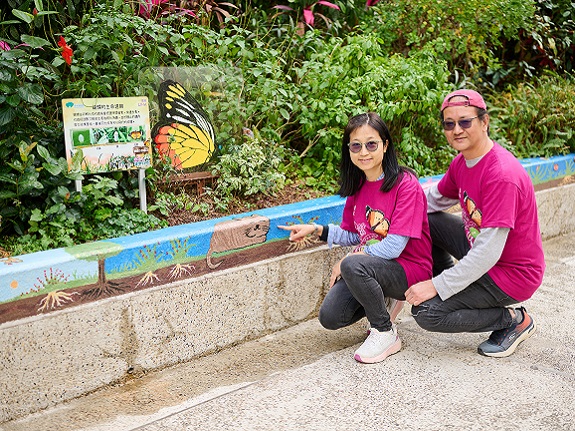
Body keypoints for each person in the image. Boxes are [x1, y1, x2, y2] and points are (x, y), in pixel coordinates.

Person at [279, 112, 432, 364]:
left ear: (385, 145)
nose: (364, 152)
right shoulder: (359, 185)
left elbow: (394, 246)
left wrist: (351, 259)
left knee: (351, 264)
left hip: (410, 270)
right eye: (356, 145)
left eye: (371, 144)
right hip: (372, 267)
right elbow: (355, 233)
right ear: (348, 149)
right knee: (331, 316)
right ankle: (382, 298)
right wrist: (318, 231)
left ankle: (384, 330)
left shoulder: (406, 185)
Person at [405, 89, 545, 357]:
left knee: (426, 312)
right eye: (449, 124)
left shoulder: (501, 175)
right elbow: (431, 202)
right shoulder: (462, 163)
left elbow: (487, 253)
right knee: (428, 220)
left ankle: (514, 321)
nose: (457, 129)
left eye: (465, 121)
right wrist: (392, 208)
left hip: (512, 274)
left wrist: (438, 286)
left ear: (484, 122)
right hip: (482, 252)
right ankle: (445, 281)